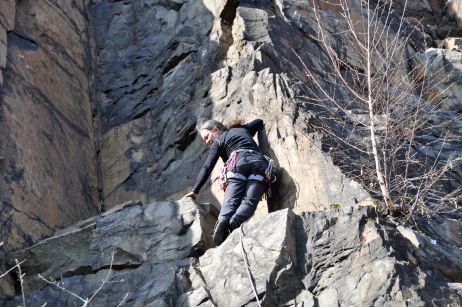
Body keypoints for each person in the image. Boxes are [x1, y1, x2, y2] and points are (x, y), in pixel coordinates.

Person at [185, 118, 273, 246]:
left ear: (216, 130)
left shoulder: (219, 140)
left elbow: (208, 166)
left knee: (231, 200)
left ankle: (223, 221)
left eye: (207, 136)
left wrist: (195, 190)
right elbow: (259, 122)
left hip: (238, 162)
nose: (207, 141)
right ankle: (235, 222)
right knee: (249, 201)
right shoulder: (243, 129)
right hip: (260, 164)